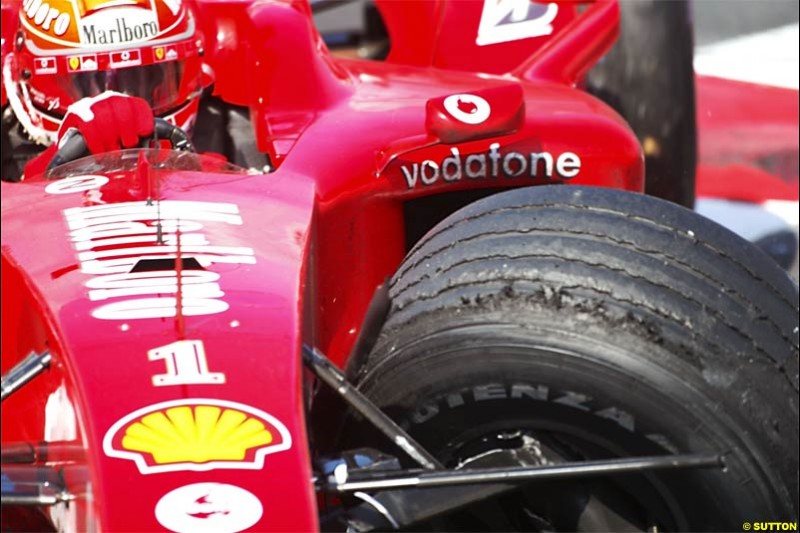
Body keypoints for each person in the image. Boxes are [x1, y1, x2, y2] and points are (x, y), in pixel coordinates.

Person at [1, 0, 267, 182]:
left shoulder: (238, 137)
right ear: (22, 77)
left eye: (147, 79)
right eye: (84, 82)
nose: (119, 105)